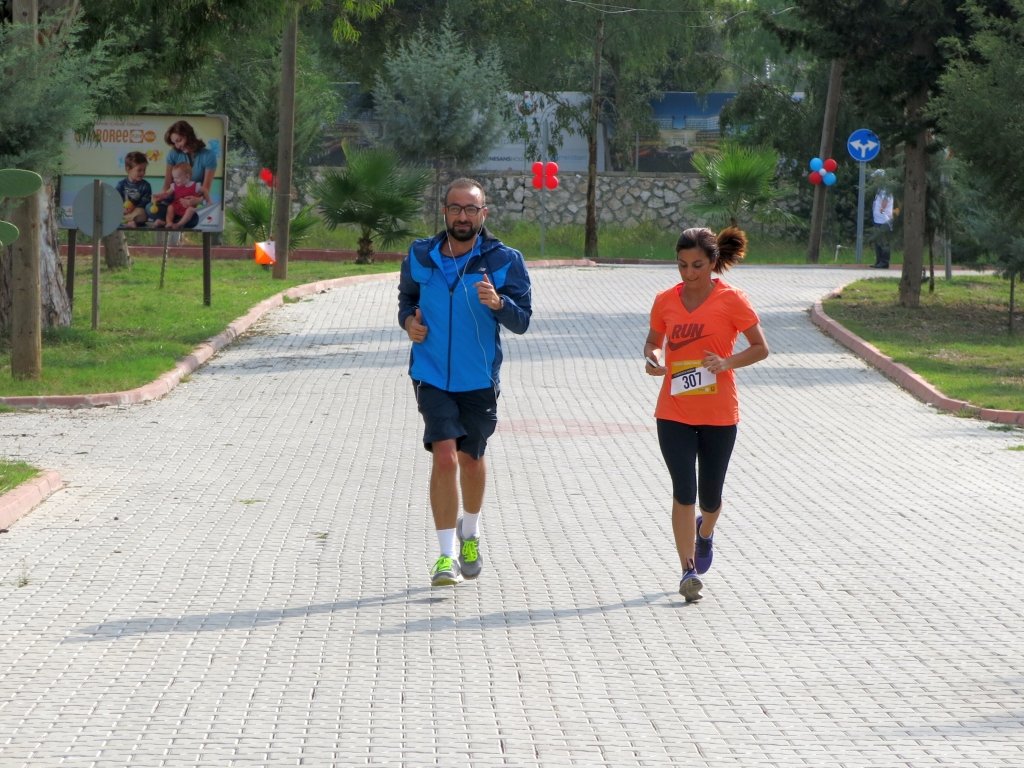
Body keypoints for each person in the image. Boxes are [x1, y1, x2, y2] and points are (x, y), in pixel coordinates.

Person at [398, 178, 533, 587]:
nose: (462, 216)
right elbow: (407, 300)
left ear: (483, 213)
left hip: (478, 378)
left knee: (471, 460)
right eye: (455, 208)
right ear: (444, 212)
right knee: (444, 458)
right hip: (431, 374)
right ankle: (445, 557)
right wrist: (408, 323)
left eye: (471, 209)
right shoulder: (421, 255)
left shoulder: (504, 260)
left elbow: (522, 321)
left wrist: (499, 303)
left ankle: (469, 532)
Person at [643, 226, 769, 603]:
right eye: (682, 265)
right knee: (684, 490)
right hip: (674, 412)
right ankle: (688, 571)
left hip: (719, 415)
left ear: (712, 263)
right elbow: (653, 342)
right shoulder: (665, 300)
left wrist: (726, 362)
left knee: (710, 498)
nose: (689, 273)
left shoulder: (732, 300)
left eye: (697, 265)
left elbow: (760, 348)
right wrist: (654, 358)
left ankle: (706, 531)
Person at [151, 119, 217, 224]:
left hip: (192, 202)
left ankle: (170, 221)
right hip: (174, 200)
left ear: (188, 135)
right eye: (174, 143)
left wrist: (197, 200)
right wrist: (161, 196)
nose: (177, 146)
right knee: (149, 208)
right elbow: (167, 184)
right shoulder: (173, 154)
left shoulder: (208, 156)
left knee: (194, 216)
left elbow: (205, 189)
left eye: (179, 140)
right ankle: (175, 220)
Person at [154, 163, 207, 229]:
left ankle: (179, 224)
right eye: (174, 178)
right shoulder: (174, 186)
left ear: (187, 176)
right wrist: (159, 196)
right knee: (170, 207)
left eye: (177, 178)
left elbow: (205, 190)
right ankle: (169, 222)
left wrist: (207, 200)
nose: (174, 180)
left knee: (190, 210)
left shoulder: (195, 185)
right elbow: (166, 194)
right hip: (177, 207)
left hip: (188, 208)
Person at [116, 151, 152, 229]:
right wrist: (123, 208)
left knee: (142, 213)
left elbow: (145, 201)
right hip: (124, 211)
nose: (142, 173)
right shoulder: (121, 184)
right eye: (139, 170)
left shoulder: (146, 185)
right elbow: (116, 199)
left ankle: (126, 221)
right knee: (114, 210)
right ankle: (127, 221)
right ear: (128, 169)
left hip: (137, 211)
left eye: (144, 170)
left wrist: (134, 207)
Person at [871, 172, 895, 269]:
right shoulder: (880, 189)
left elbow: (885, 199)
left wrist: (882, 208)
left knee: (883, 241)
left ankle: (884, 262)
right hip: (878, 220)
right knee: (878, 241)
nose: (875, 180)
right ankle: (878, 261)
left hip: (884, 220)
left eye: (876, 178)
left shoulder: (886, 189)